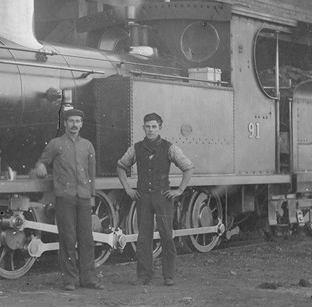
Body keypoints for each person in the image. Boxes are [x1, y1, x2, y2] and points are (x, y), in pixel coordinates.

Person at [116, 112, 193, 286]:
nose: (150, 130)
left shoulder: (170, 148)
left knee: (166, 235)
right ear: (143, 127)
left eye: (154, 126)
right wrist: (128, 189)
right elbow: (120, 166)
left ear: (160, 128)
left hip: (163, 197)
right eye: (147, 126)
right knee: (143, 237)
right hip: (143, 198)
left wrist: (179, 190)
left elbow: (188, 168)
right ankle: (144, 275)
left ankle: (169, 275)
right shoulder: (135, 148)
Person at [34, 108, 104, 291]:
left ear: (81, 124)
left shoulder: (88, 146)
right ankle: (70, 280)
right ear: (65, 123)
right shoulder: (55, 144)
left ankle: (88, 279)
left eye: (78, 121)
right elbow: (42, 161)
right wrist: (41, 167)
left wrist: (92, 196)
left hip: (83, 197)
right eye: (71, 121)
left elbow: (91, 174)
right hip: (65, 197)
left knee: (87, 239)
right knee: (67, 238)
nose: (74, 125)